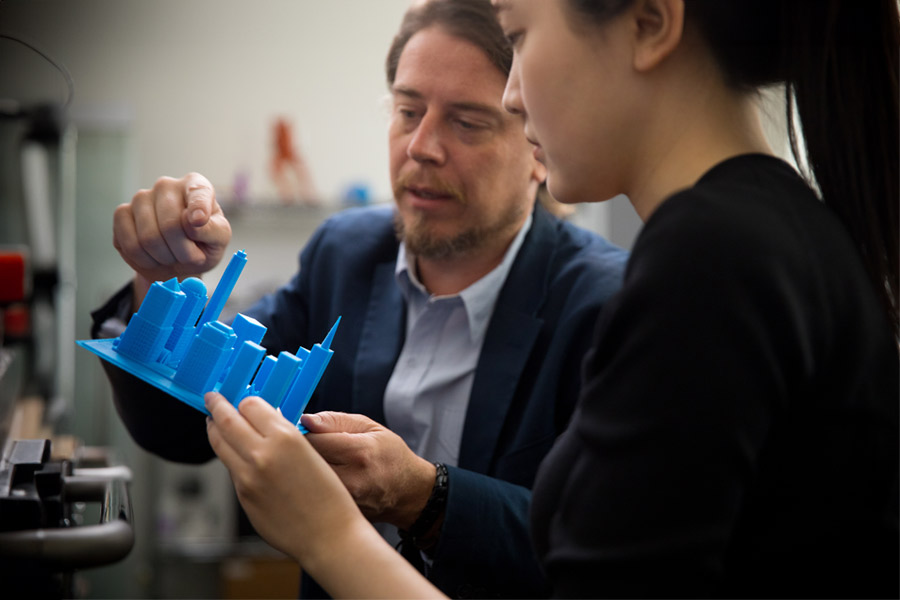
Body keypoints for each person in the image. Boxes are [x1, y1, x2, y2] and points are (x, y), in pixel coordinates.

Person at [204, 0, 900, 597]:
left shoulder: (711, 259)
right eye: (409, 110)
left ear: (651, 23)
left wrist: (328, 537)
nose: (511, 94)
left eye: (520, 36)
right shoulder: (768, 232)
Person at [90, 0, 628, 597]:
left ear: (538, 147)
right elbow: (182, 426)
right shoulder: (343, 255)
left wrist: (426, 498)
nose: (420, 146)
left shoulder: (609, 305)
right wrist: (159, 285)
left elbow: (607, 557)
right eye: (407, 110)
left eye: (467, 122)